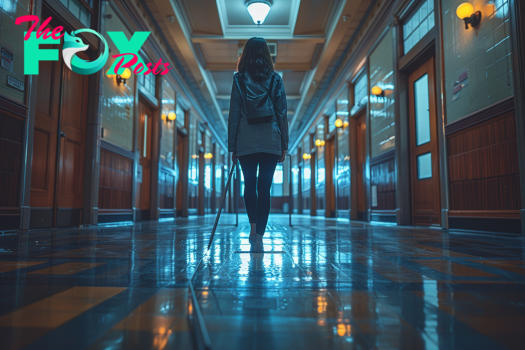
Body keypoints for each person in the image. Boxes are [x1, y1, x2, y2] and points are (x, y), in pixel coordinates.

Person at [228, 37, 289, 253]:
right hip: (271, 139)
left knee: (249, 184)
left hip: (246, 139)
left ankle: (253, 229)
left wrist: (232, 146)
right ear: (266, 54)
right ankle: (261, 237)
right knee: (265, 187)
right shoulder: (275, 79)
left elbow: (234, 114)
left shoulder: (238, 79)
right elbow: (282, 112)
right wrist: (284, 144)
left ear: (245, 55)